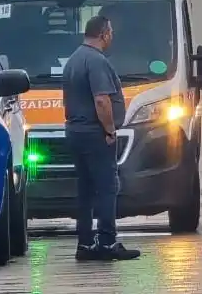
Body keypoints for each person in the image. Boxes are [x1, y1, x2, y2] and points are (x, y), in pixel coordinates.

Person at [62, 15, 140, 261]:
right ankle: (107, 242)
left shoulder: (73, 60)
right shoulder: (96, 61)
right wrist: (109, 130)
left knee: (85, 190)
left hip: (75, 132)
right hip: (95, 133)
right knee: (107, 188)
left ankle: (85, 244)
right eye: (111, 32)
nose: (112, 36)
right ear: (104, 33)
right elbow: (101, 100)